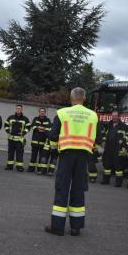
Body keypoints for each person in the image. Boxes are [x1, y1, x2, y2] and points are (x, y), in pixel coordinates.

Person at [45, 87, 98, 237]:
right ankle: (76, 228)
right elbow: (97, 137)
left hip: (66, 155)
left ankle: (57, 227)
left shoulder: (62, 113)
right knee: (78, 189)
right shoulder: (93, 115)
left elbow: (54, 136)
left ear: (71, 98)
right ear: (84, 99)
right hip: (84, 156)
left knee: (62, 188)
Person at [99, 111, 128, 187]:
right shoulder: (109, 125)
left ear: (119, 117)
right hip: (108, 147)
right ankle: (106, 180)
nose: (114, 117)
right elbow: (105, 134)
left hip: (118, 148)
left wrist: (123, 145)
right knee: (107, 165)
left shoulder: (123, 126)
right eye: (113, 116)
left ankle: (118, 183)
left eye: (115, 116)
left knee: (118, 166)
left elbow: (127, 137)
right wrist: (104, 141)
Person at [4, 104, 31, 172]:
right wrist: (8, 131)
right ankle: (9, 166)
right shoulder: (10, 117)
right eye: (17, 108)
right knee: (10, 153)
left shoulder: (25, 119)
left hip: (20, 139)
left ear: (22, 109)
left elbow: (28, 127)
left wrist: (24, 132)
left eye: (19, 108)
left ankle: (19, 166)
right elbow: (6, 125)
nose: (18, 109)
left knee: (19, 153)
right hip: (11, 139)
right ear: (16, 109)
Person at [27, 108, 51, 172]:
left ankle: (39, 169)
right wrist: (41, 128)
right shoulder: (36, 119)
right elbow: (33, 126)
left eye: (43, 111)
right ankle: (31, 168)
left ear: (45, 112)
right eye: (41, 111)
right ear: (39, 112)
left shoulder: (48, 120)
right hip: (35, 141)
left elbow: (49, 128)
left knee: (41, 157)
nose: (42, 112)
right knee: (33, 156)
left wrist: (39, 127)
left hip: (43, 142)